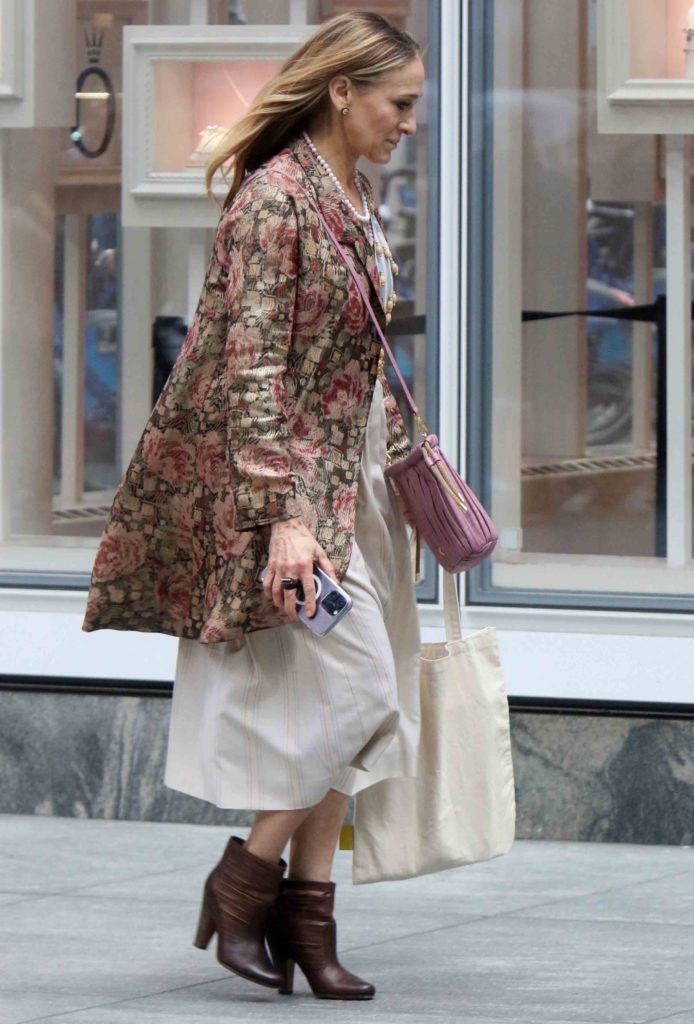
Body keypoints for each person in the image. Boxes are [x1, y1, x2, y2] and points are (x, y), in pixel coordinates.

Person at [82, 10, 425, 1001]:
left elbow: (352, 354)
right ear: (341, 92)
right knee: (364, 691)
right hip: (297, 489)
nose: (409, 123)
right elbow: (252, 368)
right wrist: (283, 514)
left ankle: (309, 920)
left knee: (353, 704)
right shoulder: (275, 200)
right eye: (399, 103)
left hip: (355, 479)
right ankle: (243, 879)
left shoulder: (352, 192)